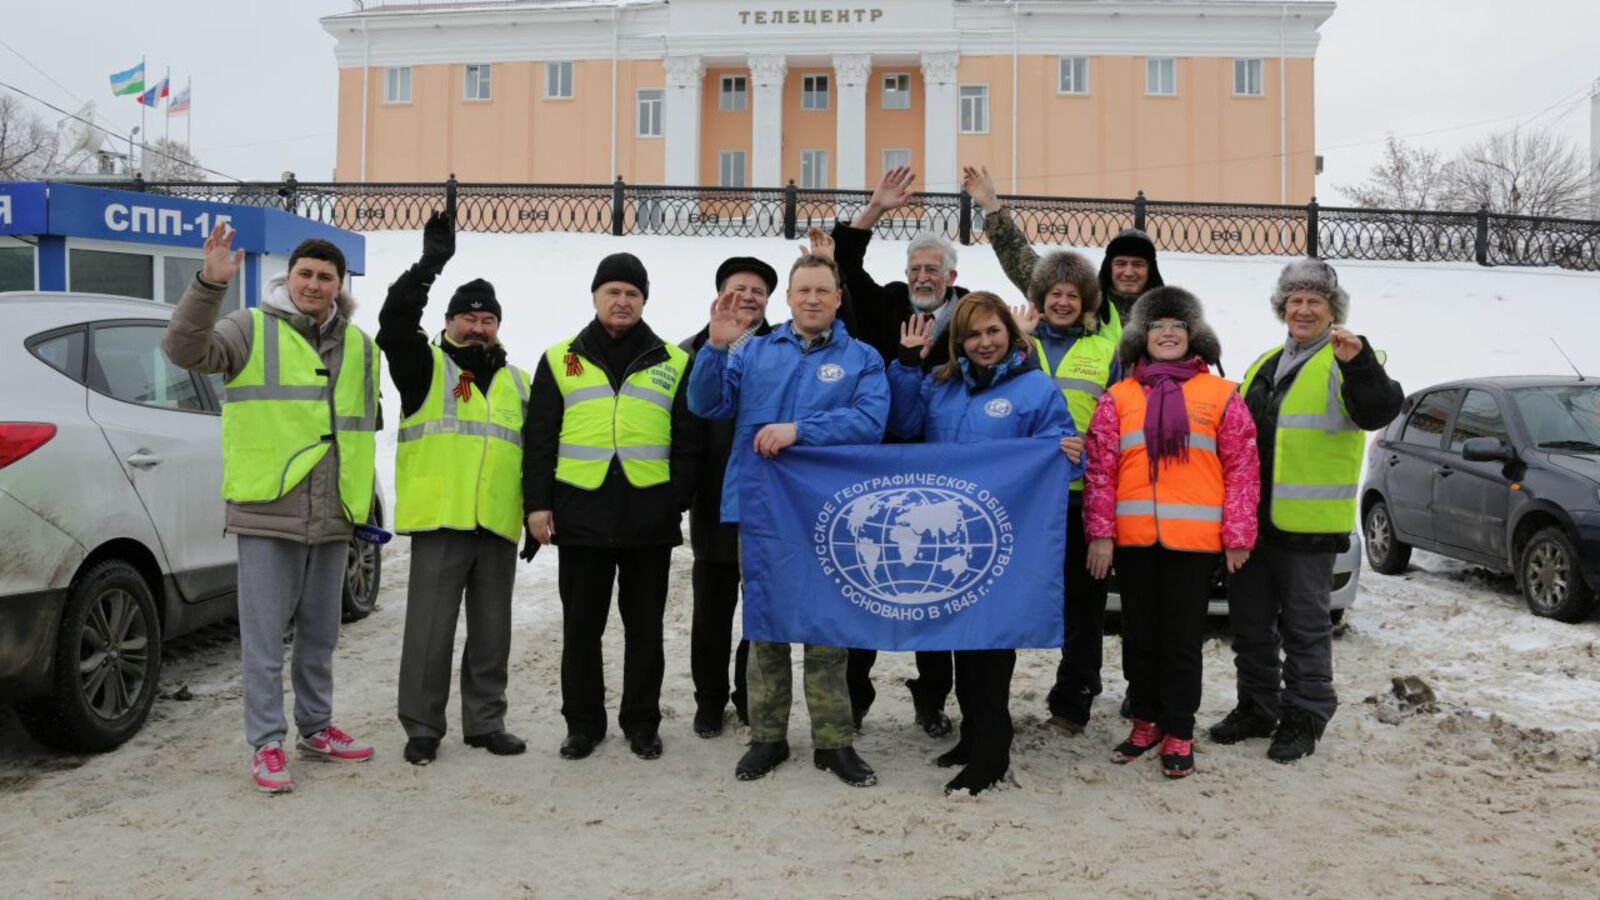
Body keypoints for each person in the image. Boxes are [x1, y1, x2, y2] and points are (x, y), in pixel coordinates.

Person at [163, 225, 379, 793]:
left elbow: (358, 426)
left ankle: (316, 726)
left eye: (325, 277)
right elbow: (183, 350)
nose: (313, 284)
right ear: (291, 278)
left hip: (334, 511)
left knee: (320, 634)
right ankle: (267, 744)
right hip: (268, 506)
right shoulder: (248, 327)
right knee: (263, 639)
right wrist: (209, 285)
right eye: (304, 274)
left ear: (340, 285)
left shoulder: (360, 345)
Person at [688, 253, 888, 787]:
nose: (814, 299)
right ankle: (768, 737)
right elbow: (707, 405)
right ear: (790, 299)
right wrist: (713, 348)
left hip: (832, 513)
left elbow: (870, 421)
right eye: (804, 291)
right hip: (762, 507)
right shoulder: (751, 351)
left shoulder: (863, 358)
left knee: (827, 632)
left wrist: (800, 430)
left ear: (838, 298)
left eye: (823, 290)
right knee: (766, 629)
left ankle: (834, 743)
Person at [888, 292, 1082, 794]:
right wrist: (909, 365)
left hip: (1004, 536)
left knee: (989, 643)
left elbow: (1065, 452)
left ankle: (992, 750)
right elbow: (905, 427)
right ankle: (972, 733)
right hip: (949, 537)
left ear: (1010, 334)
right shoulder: (941, 384)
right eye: (972, 335)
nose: (984, 343)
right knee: (957, 639)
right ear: (959, 342)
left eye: (993, 331)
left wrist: (1067, 451)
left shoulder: (1035, 387)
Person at [1211, 258, 1403, 763]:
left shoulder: (1349, 358)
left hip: (1310, 529)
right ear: (1282, 307)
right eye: (1295, 300)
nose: (1303, 309)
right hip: (1254, 524)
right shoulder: (1265, 362)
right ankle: (1257, 706)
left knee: (1305, 628)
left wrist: (1358, 364)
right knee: (1250, 625)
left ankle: (1306, 715)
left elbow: (1377, 409)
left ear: (1331, 309)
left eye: (1314, 301)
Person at [962, 164, 1122, 735]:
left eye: (1071, 294)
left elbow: (1119, 423)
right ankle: (990, 705)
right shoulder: (1016, 345)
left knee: (1083, 607)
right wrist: (990, 206)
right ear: (1038, 297)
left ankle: (1073, 700)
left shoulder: (1108, 348)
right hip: (1022, 499)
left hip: (1081, 497)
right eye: (1052, 292)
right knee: (1005, 596)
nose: (1061, 302)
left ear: (1087, 301)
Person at [523, 252, 698, 762]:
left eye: (632, 294)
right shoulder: (561, 359)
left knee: (645, 630)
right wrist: (537, 506)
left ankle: (642, 723)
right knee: (582, 629)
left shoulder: (673, 361)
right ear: (596, 297)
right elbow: (540, 439)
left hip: (649, 518)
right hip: (581, 518)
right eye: (613, 292)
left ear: (645, 301)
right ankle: (583, 725)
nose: (622, 302)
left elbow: (687, 442)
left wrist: (675, 499)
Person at [1083, 287, 1259, 779]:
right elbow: (1101, 471)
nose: (1167, 333)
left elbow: (1243, 467)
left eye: (1177, 326)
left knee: (1182, 641)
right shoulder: (1118, 397)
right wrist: (1101, 534)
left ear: (1193, 336)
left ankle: (1179, 727)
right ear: (1142, 336)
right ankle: (1145, 720)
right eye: (1157, 326)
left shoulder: (1222, 394)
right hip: (1136, 542)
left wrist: (1238, 535)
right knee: (1139, 638)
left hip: (1193, 546)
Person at [378, 211, 530, 765]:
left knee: (493, 634)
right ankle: (422, 726)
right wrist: (429, 266)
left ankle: (486, 722)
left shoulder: (517, 380)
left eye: (487, 319)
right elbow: (393, 326)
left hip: (495, 523)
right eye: (468, 317)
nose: (478, 326)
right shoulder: (425, 366)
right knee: (429, 633)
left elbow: (533, 452)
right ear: (448, 322)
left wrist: (537, 511)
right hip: (440, 519)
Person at [829, 165, 969, 737]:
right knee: (870, 585)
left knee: (935, 591)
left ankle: (931, 698)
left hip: (946, 468)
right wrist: (875, 210)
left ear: (952, 275)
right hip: (883, 464)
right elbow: (843, 267)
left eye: (932, 269)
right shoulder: (887, 304)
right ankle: (855, 698)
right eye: (915, 268)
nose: (922, 276)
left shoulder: (972, 316)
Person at [680, 256, 778, 738]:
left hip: (768, 501)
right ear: (720, 293)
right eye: (738, 287)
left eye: (758, 290)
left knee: (759, 606)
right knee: (712, 610)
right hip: (713, 500)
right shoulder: (690, 351)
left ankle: (748, 694)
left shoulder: (783, 350)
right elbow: (681, 429)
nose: (748, 297)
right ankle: (709, 699)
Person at [1097, 228, 1166, 342]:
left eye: (1138, 264)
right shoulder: (1085, 309)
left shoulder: (1172, 314)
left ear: (1150, 270)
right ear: (1109, 268)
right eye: (1120, 264)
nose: (1128, 272)